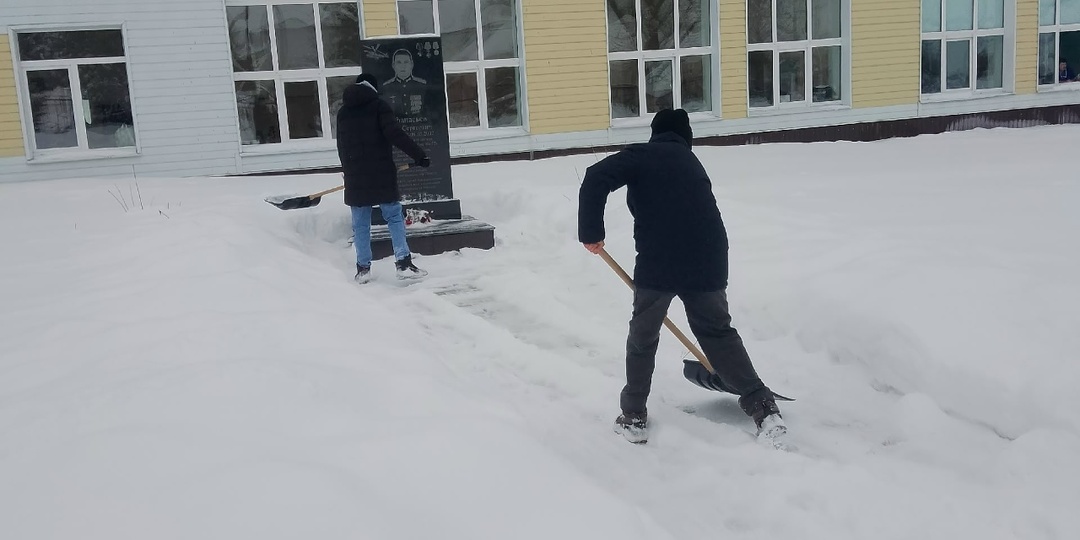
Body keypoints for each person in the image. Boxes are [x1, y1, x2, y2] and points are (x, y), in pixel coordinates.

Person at [577, 108, 785, 442]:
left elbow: (595, 177)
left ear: (654, 133)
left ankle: (633, 417)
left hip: (659, 260)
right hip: (709, 256)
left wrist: (591, 231)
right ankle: (765, 408)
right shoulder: (691, 162)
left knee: (643, 337)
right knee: (717, 332)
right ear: (685, 137)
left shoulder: (641, 155)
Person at [336, 73, 430, 283]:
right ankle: (403, 263)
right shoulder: (379, 106)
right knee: (394, 218)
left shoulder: (343, 112)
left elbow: (341, 146)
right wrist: (419, 155)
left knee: (360, 225)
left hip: (356, 176)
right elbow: (395, 135)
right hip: (381, 174)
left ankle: (363, 269)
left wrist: (348, 171)